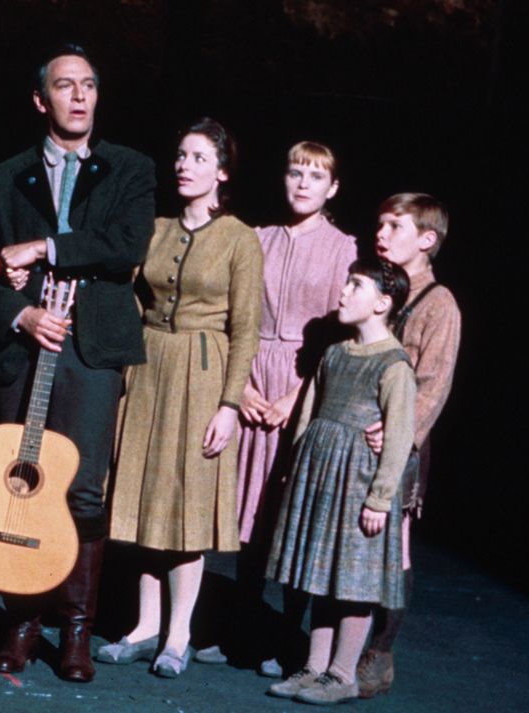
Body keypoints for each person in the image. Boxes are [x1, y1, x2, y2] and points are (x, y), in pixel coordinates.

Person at [0, 43, 156, 683]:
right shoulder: (1, 177)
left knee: (81, 491)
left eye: (89, 85)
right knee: (20, 482)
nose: (79, 96)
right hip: (26, 353)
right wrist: (22, 317)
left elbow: (124, 246)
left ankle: (76, 629)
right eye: (65, 85)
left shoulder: (130, 169)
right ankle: (22, 624)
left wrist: (43, 246)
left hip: (93, 350)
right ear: (40, 100)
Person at [101, 118, 263, 678]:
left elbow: (246, 329)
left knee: (186, 505)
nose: (183, 165)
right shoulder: (156, 227)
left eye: (197, 157)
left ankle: (178, 634)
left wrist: (230, 403)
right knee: (146, 498)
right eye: (180, 155)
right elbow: (126, 294)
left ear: (221, 172)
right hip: (148, 365)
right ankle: (145, 627)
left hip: (201, 373)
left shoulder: (240, 238)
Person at [196, 142, 357, 672]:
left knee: (292, 511)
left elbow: (344, 336)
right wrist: (238, 389)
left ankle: (285, 635)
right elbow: (227, 315)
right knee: (247, 512)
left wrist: (296, 396)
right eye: (295, 172)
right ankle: (239, 624)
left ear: (332, 188)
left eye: (316, 176)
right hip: (249, 371)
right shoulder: (256, 237)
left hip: (305, 381)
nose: (303, 183)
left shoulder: (344, 248)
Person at [266, 258, 415, 705]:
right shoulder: (334, 353)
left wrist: (380, 498)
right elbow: (308, 413)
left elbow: (400, 436)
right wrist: (296, 464)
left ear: (382, 303)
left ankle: (342, 673)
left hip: (359, 482)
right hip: (320, 476)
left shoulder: (394, 364)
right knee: (319, 573)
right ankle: (313, 667)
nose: (344, 291)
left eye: (356, 285)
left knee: (354, 580)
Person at [356, 193, 460, 698]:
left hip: (399, 443)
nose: (381, 233)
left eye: (394, 226)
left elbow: (433, 383)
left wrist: (397, 432)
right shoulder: (379, 289)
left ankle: (380, 648)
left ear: (426, 240)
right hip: (356, 432)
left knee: (393, 544)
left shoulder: (437, 304)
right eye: (379, 224)